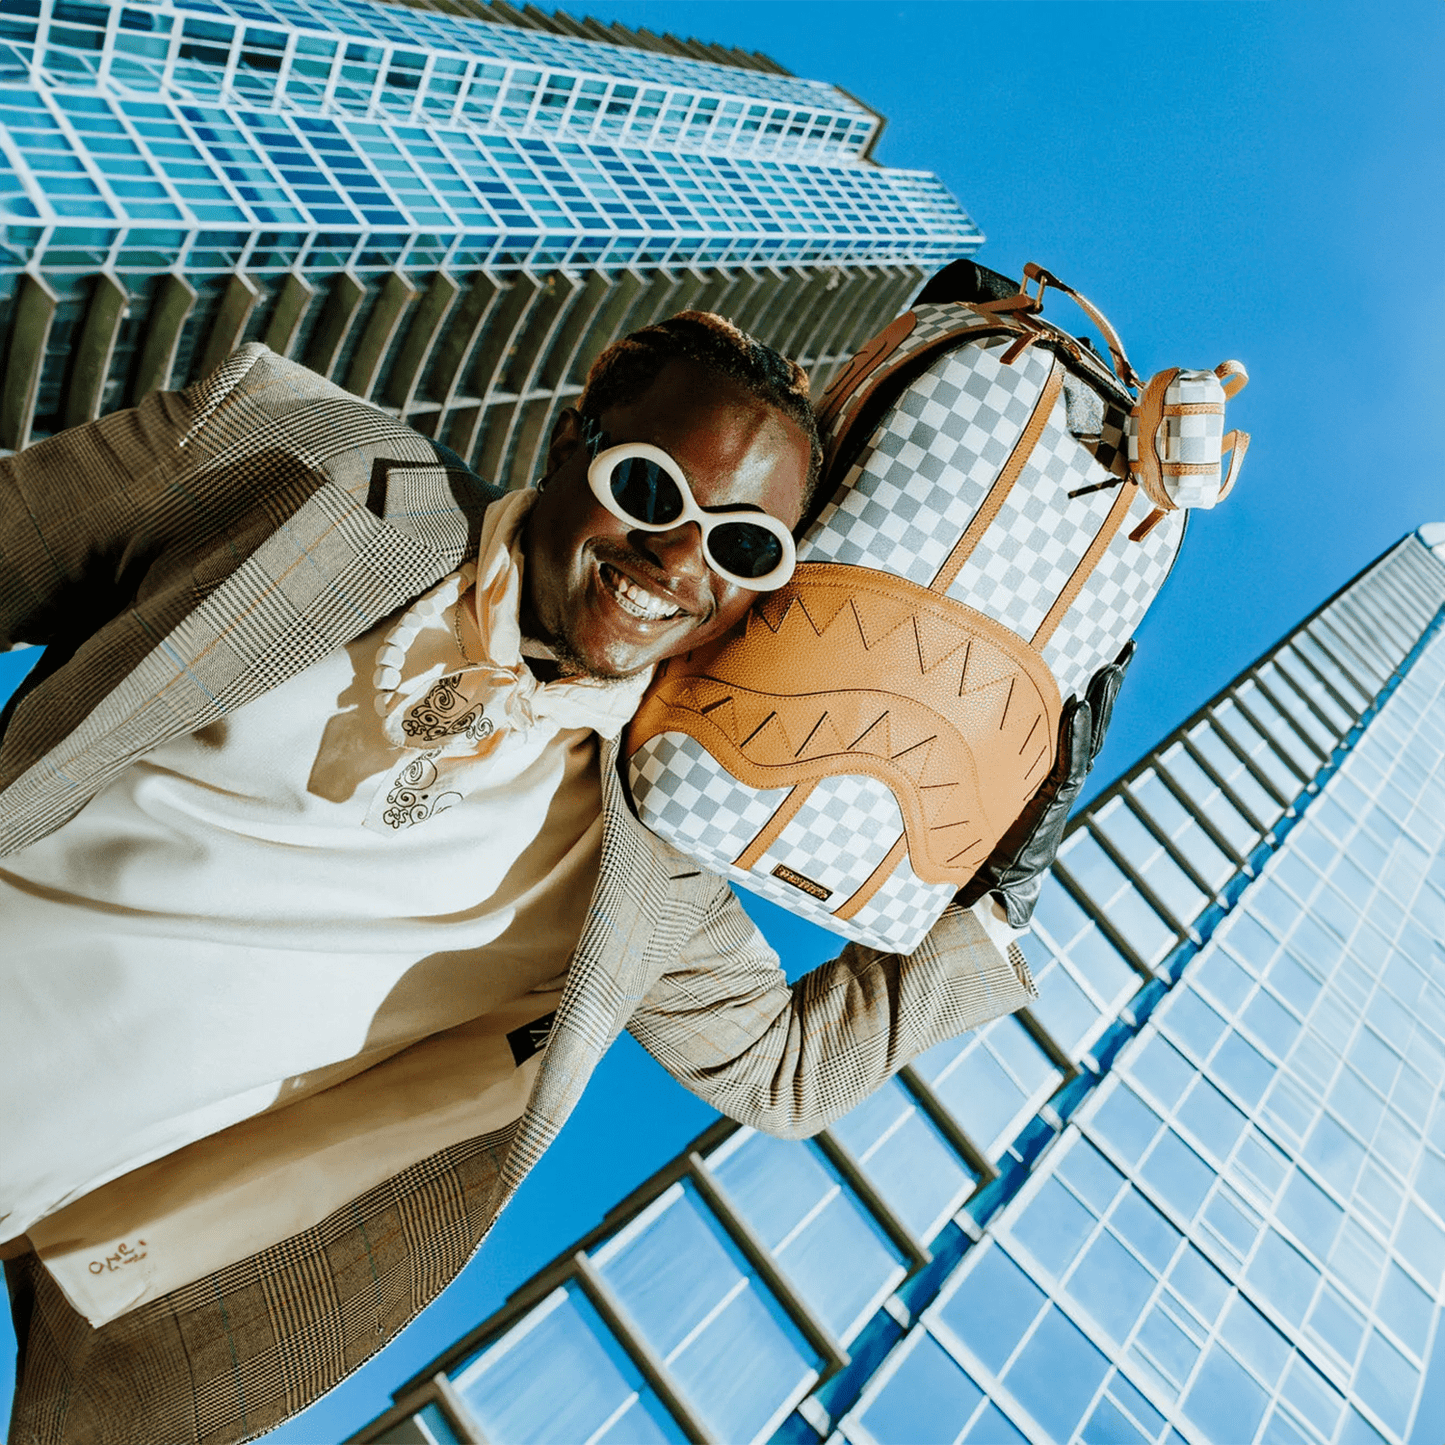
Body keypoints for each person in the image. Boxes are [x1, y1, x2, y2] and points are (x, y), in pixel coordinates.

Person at [0, 311, 1105, 1444]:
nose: (677, 559)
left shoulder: (646, 857)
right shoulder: (300, 461)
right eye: (651, 486)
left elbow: (789, 1073)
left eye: (740, 547)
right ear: (574, 435)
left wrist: (1005, 885)